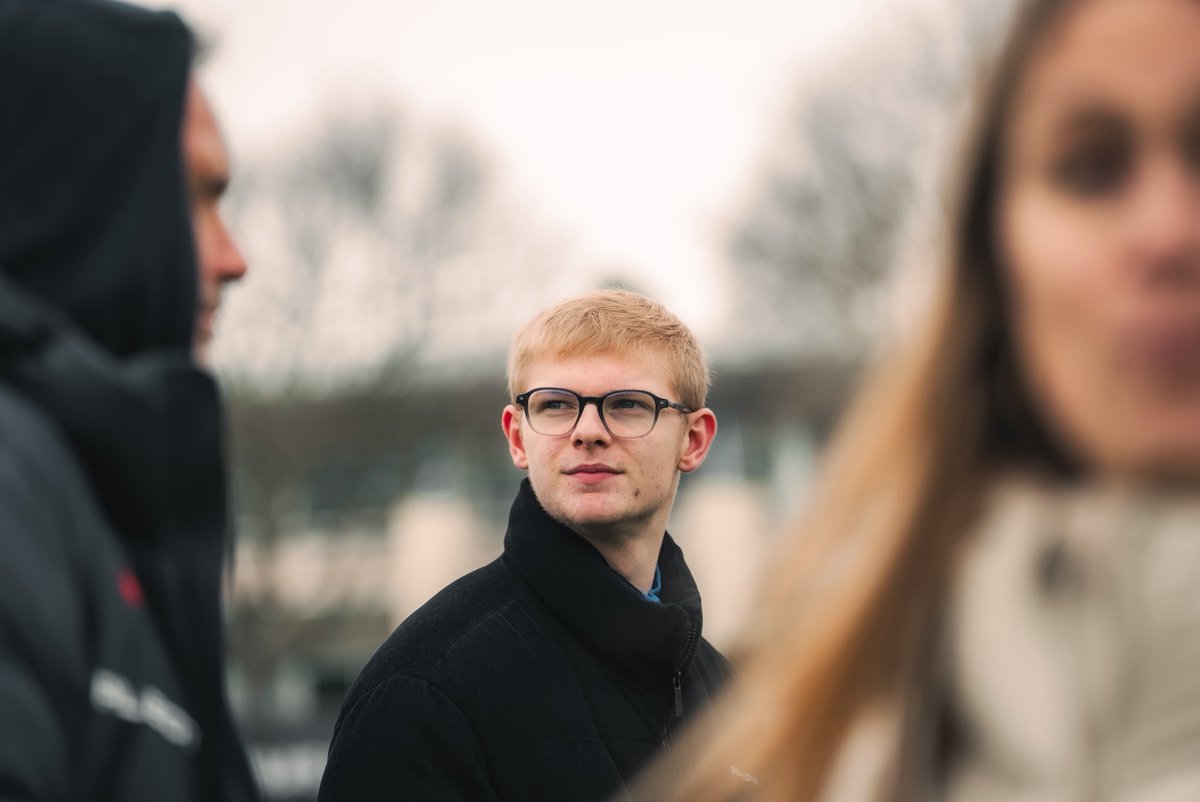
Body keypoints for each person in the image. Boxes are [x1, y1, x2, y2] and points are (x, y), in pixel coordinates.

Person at [642, 0, 1200, 799]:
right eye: (1091, 167)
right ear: (994, 262)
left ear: (698, 436)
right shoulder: (816, 746)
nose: (1169, 231)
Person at [319, 289, 729, 801]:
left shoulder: (731, 699)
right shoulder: (423, 693)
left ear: (693, 441)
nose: (587, 431)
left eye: (627, 405)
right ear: (517, 437)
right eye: (556, 405)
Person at [0, 0, 258, 798]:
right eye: (194, 196)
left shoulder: (84, 492)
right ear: (78, 194)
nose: (234, 257)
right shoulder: (15, 481)